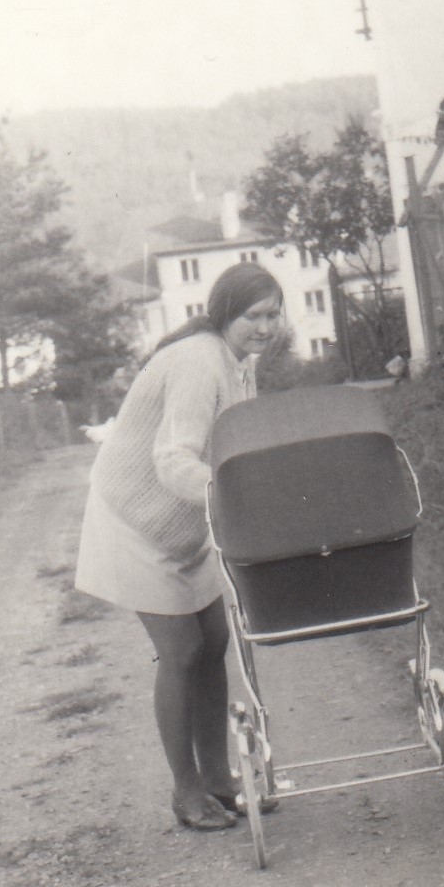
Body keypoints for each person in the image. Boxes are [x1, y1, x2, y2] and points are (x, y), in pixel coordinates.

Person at [75, 261, 283, 831]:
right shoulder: (198, 362)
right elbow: (172, 460)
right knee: (182, 652)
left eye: (273, 314)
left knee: (214, 641)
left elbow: (236, 443)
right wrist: (234, 495)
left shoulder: (238, 362)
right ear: (225, 312)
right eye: (253, 316)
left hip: (187, 519)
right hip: (134, 519)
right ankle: (186, 793)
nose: (265, 328)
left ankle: (219, 780)